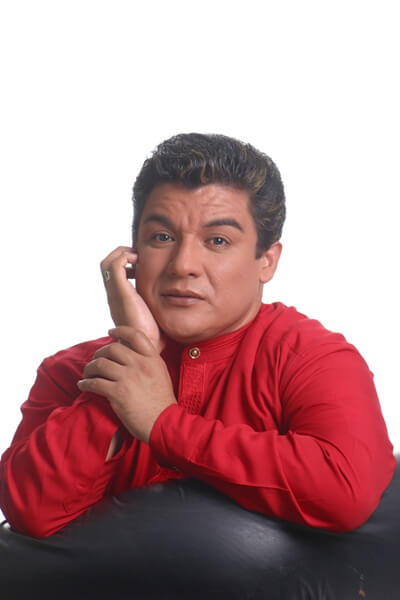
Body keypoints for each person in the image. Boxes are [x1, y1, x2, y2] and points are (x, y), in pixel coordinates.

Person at [0, 133, 395, 538]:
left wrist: (163, 423)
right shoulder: (73, 373)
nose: (182, 265)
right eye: (162, 237)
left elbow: (344, 491)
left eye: (217, 241)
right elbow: (29, 512)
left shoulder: (312, 358)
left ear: (267, 260)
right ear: (133, 255)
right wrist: (130, 358)